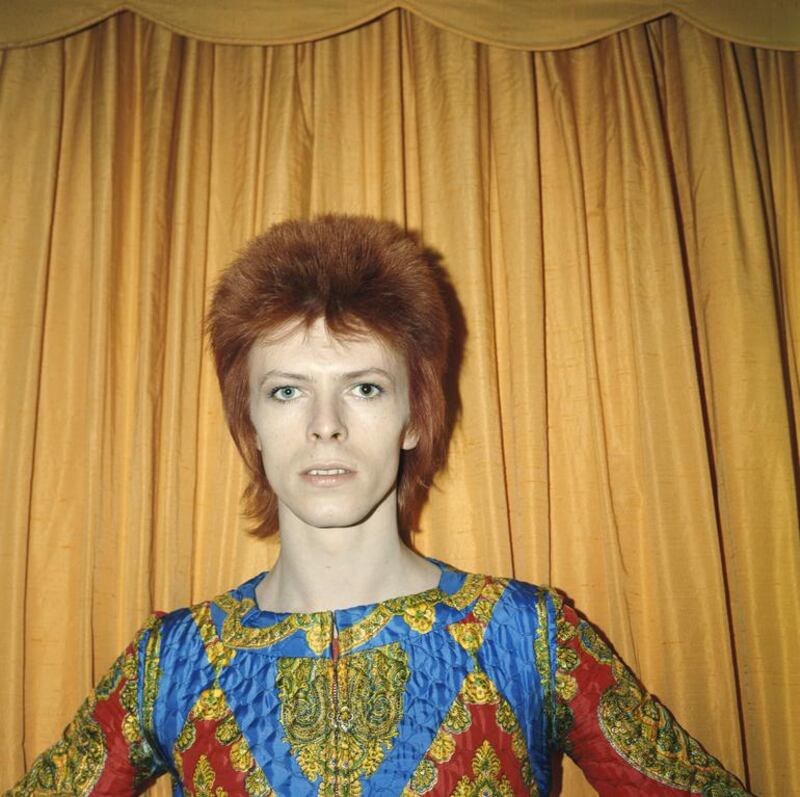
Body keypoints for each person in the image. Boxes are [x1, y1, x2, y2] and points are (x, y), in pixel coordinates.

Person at [7, 215, 754, 797]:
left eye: (364, 386)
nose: (324, 423)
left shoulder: (530, 637)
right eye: (286, 389)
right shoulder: (170, 662)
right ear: (252, 426)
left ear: (415, 416)